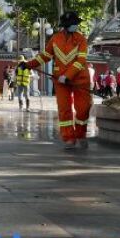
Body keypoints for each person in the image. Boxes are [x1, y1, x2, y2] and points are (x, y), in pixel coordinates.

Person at [23, 11, 91, 150]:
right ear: (66, 26)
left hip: (80, 79)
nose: (76, 26)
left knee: (83, 109)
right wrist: (28, 64)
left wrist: (68, 76)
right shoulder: (55, 39)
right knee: (64, 109)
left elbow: (81, 60)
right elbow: (45, 56)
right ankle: (69, 138)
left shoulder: (81, 39)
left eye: (76, 24)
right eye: (73, 24)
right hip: (60, 80)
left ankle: (80, 134)